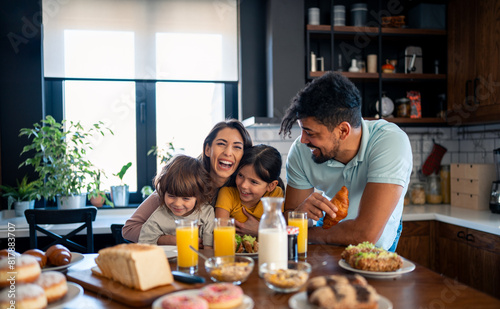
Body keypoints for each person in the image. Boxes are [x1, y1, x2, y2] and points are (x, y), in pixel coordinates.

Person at [279, 72, 412, 251]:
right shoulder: (302, 150)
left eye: (310, 133)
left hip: (376, 245)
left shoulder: (390, 142)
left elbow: (366, 235)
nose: (302, 140)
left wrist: (307, 234)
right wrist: (299, 214)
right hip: (327, 235)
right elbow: (290, 221)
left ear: (343, 131)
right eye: (302, 130)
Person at [122, 119, 253, 243]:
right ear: (207, 149)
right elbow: (129, 229)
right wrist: (172, 240)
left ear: (244, 156)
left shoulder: (244, 191)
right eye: (221, 144)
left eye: (237, 147)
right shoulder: (184, 180)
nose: (228, 152)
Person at [138, 155, 215, 246]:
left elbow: (208, 247)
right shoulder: (157, 218)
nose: (178, 204)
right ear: (163, 192)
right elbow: (144, 245)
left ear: (198, 196)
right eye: (171, 196)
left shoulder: (206, 213)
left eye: (186, 198)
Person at [215, 144, 284, 224]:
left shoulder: (274, 195)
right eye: (240, 175)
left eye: (253, 182)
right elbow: (222, 230)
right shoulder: (228, 194)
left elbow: (276, 230)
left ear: (271, 186)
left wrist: (257, 230)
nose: (243, 185)